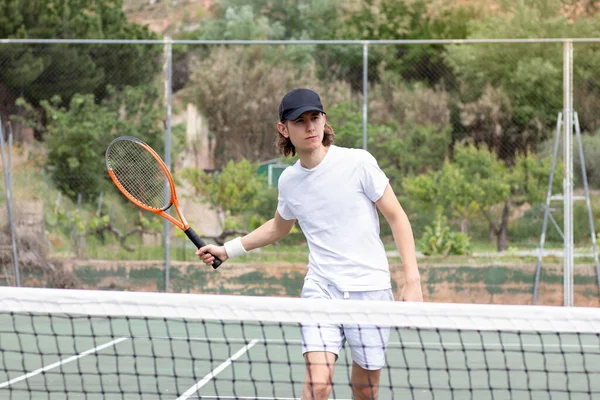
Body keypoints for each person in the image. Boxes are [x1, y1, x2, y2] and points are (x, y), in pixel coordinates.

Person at [197, 88, 423, 400]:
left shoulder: (358, 163)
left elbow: (397, 217)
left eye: (314, 118)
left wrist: (412, 280)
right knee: (317, 386)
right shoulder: (289, 181)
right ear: (283, 129)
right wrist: (228, 249)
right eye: (299, 121)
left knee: (365, 392)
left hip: (370, 291)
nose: (310, 127)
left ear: (323, 119)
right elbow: (279, 227)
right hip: (322, 289)